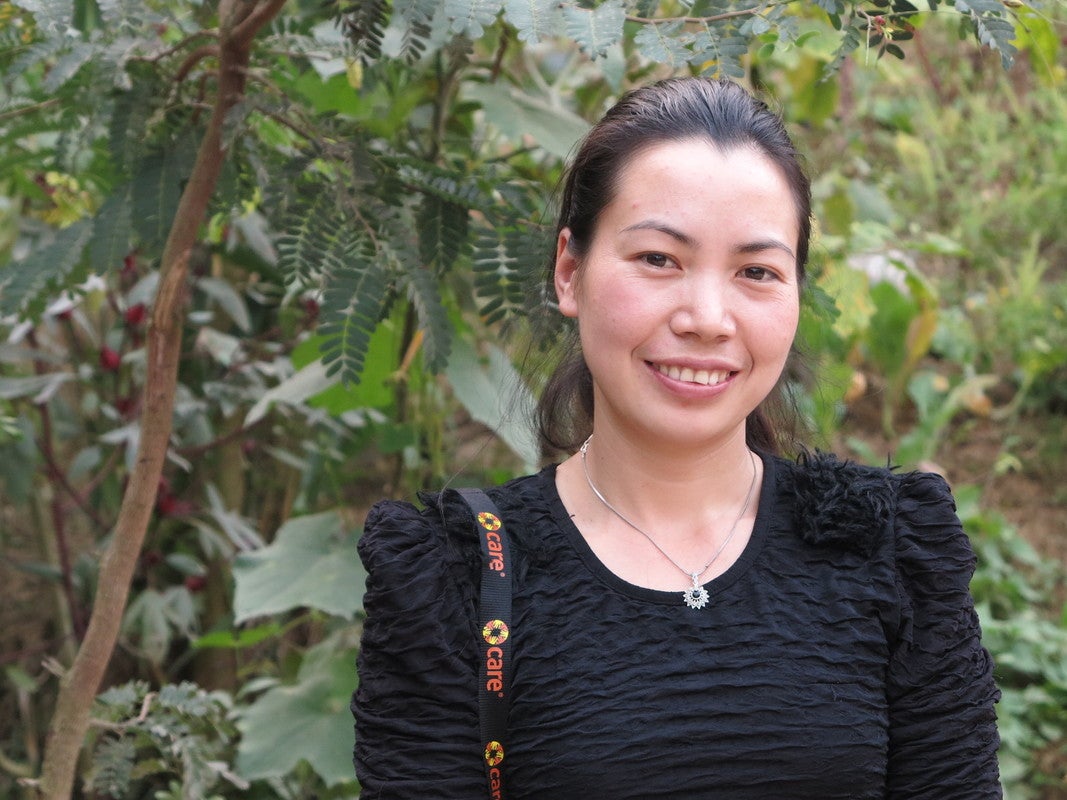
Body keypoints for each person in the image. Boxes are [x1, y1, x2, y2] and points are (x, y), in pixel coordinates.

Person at [352, 77, 1001, 799]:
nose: (707, 318)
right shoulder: (453, 576)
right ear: (569, 271)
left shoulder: (889, 547)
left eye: (756, 271)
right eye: (659, 259)